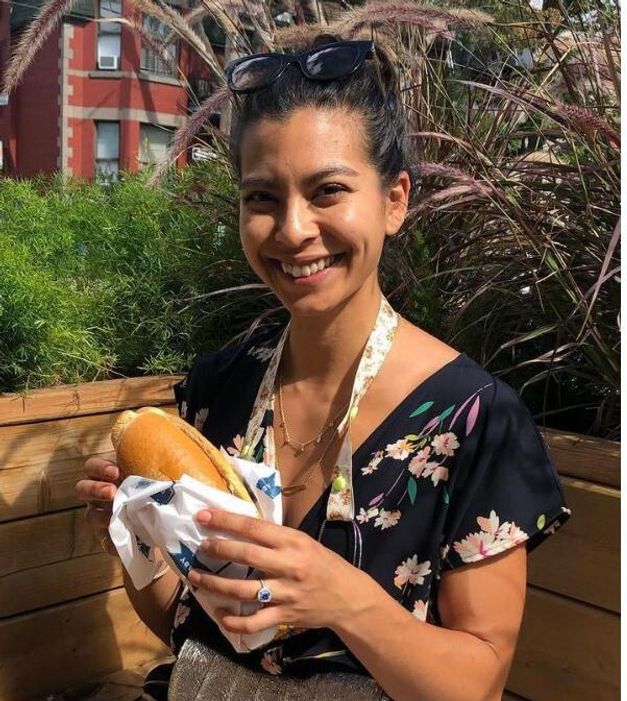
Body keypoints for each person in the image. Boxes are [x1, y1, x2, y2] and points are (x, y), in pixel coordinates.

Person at [75, 34, 570, 700]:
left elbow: (477, 683)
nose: (292, 229)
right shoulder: (219, 388)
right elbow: (192, 629)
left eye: (327, 190)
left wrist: (341, 598)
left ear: (394, 199)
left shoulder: (476, 421)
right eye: (262, 198)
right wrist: (135, 543)